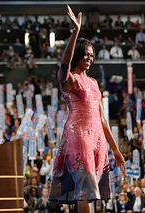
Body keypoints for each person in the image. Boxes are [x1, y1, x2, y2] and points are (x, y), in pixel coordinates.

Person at [48, 5, 125, 213]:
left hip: (97, 138)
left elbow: (103, 120)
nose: (90, 58)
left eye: (92, 55)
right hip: (79, 134)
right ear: (78, 54)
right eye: (86, 54)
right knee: (85, 189)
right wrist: (75, 32)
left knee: (90, 193)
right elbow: (64, 63)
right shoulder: (70, 80)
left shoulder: (93, 83)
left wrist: (116, 150)